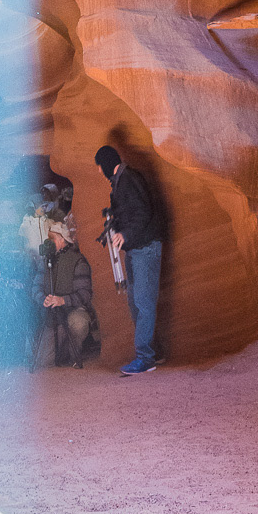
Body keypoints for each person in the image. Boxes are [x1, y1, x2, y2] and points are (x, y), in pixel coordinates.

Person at [96, 143, 165, 375]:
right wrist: (113, 226)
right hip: (135, 249)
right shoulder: (118, 183)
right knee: (136, 303)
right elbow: (128, 213)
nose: (99, 171)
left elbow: (143, 212)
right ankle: (151, 352)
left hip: (145, 248)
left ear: (107, 163)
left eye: (99, 166)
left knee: (143, 303)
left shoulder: (129, 179)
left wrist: (125, 234)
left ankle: (145, 358)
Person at [34, 217, 99, 368]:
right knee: (43, 362)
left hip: (73, 310)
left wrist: (63, 300)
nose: (49, 242)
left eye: (53, 239)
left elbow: (85, 293)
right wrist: (42, 299)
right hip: (53, 314)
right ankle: (62, 354)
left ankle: (73, 354)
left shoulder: (77, 261)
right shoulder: (45, 262)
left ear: (63, 240)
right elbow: (35, 288)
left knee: (78, 323)